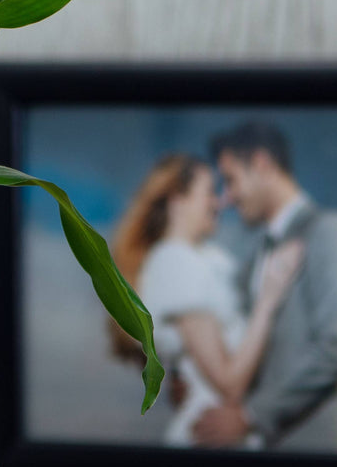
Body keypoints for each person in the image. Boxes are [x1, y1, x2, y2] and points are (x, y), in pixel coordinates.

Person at [109, 153, 302, 448]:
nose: (220, 202)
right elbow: (230, 384)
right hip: (206, 441)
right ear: (178, 200)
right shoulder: (177, 263)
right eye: (210, 192)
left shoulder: (199, 262)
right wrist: (269, 299)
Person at [193, 121, 337, 450]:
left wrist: (252, 416)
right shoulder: (255, 255)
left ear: (262, 164)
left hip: (314, 457)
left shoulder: (328, 231)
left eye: (231, 180)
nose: (228, 197)